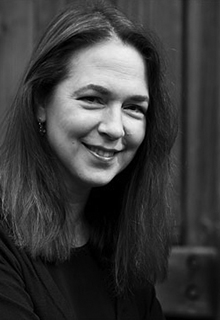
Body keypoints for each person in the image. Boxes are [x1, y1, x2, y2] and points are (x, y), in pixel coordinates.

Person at [0, 0, 177, 319]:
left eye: (134, 107)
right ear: (42, 101)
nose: (114, 128)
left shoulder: (122, 246)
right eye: (93, 99)